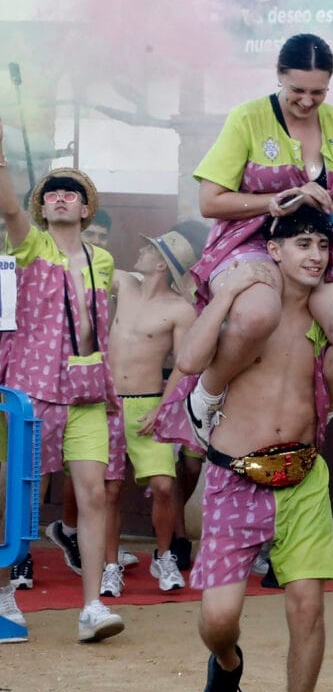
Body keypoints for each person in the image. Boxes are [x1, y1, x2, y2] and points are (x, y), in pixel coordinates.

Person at [179, 207, 333, 692]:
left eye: (322, 245)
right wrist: (226, 297)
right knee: (219, 622)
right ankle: (226, 665)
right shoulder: (251, 310)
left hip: (302, 479)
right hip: (233, 477)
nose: (314, 255)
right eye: (301, 243)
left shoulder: (328, 320)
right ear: (273, 250)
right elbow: (186, 360)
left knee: (308, 607)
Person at [178, 32, 333, 449]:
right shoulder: (248, 118)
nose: (307, 101)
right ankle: (205, 397)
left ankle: (319, 407)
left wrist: (320, 202)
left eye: (318, 93)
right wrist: (279, 200)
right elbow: (209, 201)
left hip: (318, 249)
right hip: (250, 241)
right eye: (297, 91)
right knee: (255, 314)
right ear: (278, 77)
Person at [0, 118, 124, 642]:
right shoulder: (30, 248)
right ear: (42, 205)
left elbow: (98, 321)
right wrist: (5, 161)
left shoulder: (103, 259)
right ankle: (5, 592)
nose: (60, 197)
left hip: (87, 390)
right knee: (13, 494)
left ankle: (92, 605)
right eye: (51, 192)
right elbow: (9, 209)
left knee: (93, 493)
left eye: (70, 193)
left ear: (85, 207)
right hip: (31, 387)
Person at [98, 229, 200, 596]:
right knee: (109, 490)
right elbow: (86, 267)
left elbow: (184, 365)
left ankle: (165, 555)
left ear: (162, 264)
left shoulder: (179, 309)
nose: (139, 251)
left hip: (148, 402)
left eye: (149, 249)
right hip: (108, 402)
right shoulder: (124, 283)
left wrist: (162, 407)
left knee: (163, 484)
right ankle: (110, 566)